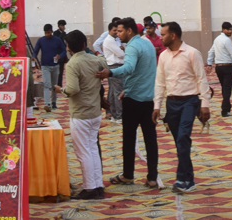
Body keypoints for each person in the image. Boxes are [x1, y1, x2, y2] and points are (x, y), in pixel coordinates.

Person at [96, 17, 159, 188]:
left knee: (129, 138)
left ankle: (128, 175)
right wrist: (129, 88)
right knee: (150, 139)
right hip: (148, 98)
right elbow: (145, 71)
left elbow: (129, 68)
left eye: (120, 31)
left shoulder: (132, 46)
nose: (117, 34)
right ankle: (152, 177)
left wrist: (110, 73)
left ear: (129, 31)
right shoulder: (147, 43)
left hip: (134, 101)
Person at [154, 21, 210, 194]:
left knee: (183, 137)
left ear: (173, 36)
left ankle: (183, 178)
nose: (160, 38)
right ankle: (187, 178)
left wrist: (205, 104)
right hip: (172, 103)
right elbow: (160, 82)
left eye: (163, 34)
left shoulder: (192, 53)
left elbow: (201, 79)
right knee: (180, 142)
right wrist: (157, 106)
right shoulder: (163, 56)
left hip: (189, 101)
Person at [55, 30, 107, 200]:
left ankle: (89, 187)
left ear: (68, 47)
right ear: (84, 44)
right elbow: (105, 64)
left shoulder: (72, 64)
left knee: (83, 152)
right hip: (95, 111)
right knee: (92, 149)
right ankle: (97, 185)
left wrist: (61, 90)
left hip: (80, 114)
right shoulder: (95, 60)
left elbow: (73, 89)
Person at [207, 22, 232, 118]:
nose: (230, 31)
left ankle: (227, 106)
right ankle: (225, 110)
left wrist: (209, 63)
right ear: (223, 29)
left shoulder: (217, 39)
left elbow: (211, 52)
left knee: (224, 88)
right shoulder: (227, 40)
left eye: (231, 29)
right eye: (228, 29)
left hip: (218, 68)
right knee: (227, 89)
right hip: (227, 67)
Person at [34, 24, 67, 111]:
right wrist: (34, 57)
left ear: (52, 31)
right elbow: (35, 51)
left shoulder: (57, 40)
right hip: (45, 66)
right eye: (45, 33)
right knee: (46, 84)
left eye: (48, 32)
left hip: (55, 66)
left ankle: (54, 102)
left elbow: (64, 50)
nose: (47, 34)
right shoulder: (41, 40)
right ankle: (47, 104)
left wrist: (60, 56)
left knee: (54, 85)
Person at [101, 20, 126, 122]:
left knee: (112, 92)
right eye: (114, 30)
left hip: (114, 66)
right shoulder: (109, 40)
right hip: (114, 66)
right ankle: (119, 116)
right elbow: (121, 54)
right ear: (109, 30)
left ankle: (113, 114)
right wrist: (124, 50)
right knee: (118, 92)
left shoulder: (115, 40)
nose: (116, 32)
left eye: (117, 30)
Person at [54, 20, 70, 88]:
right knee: (56, 71)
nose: (63, 27)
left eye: (63, 26)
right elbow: (57, 41)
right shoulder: (56, 33)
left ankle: (60, 85)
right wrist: (62, 34)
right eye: (62, 25)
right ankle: (56, 84)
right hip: (57, 54)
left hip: (63, 55)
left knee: (61, 71)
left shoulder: (64, 34)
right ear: (59, 26)